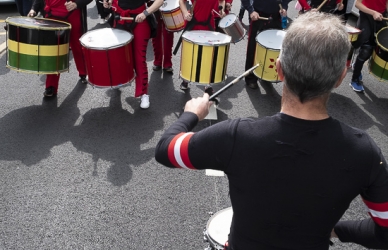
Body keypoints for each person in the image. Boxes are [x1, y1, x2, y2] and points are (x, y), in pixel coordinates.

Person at [155, 12, 388, 250]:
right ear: (340, 77)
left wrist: (191, 114)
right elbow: (385, 233)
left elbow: (166, 150)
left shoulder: (237, 136)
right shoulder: (364, 153)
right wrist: (334, 230)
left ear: (279, 69)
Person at [104, 0, 163, 109]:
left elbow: (160, 1)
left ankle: (144, 93)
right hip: (120, 17)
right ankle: (118, 80)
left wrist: (146, 13)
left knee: (139, 58)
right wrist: (107, 2)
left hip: (140, 19)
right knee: (118, 55)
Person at [27, 0, 91, 97]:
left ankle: (83, 72)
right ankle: (51, 86)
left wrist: (77, 4)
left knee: (77, 47)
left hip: (73, 13)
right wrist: (33, 9)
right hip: (52, 15)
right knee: (53, 52)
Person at [241, 0, 289, 89]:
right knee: (253, 47)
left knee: (272, 47)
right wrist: (251, 10)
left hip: (276, 16)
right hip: (258, 15)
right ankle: (250, 77)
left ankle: (266, 73)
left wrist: (284, 6)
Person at [178, 0, 226, 90]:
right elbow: (181, 1)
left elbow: (221, 1)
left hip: (208, 24)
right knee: (189, 53)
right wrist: (185, 13)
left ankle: (207, 83)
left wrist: (221, 11)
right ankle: (185, 79)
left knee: (208, 55)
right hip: (192, 23)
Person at [349, 0, 387, 92]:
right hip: (366, 15)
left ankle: (357, 65)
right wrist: (373, 12)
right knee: (366, 50)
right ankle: (354, 80)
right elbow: (357, 4)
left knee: (376, 46)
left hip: (381, 16)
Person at [150, 3, 174, 73]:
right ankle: (157, 61)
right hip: (154, 5)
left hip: (169, 5)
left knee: (168, 36)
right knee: (155, 35)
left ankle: (167, 62)